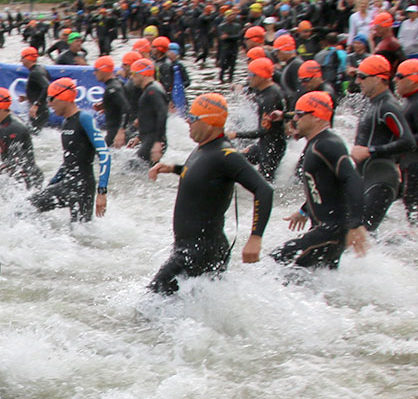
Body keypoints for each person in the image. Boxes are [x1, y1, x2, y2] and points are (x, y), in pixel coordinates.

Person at [146, 94, 273, 294]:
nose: (187, 121)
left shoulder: (226, 155)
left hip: (201, 250)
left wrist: (255, 238)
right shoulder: (204, 150)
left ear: (210, 122)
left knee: (150, 305)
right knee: (177, 311)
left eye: (193, 118)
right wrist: (172, 168)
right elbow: (202, 174)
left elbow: (264, 189)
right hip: (191, 248)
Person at [274, 91, 369, 269]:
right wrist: (304, 210)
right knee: (312, 285)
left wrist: (356, 224)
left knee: (274, 263)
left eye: (299, 114)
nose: (295, 119)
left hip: (331, 230)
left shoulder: (327, 144)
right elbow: (326, 186)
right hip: (327, 230)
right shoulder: (316, 144)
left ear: (316, 117)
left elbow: (352, 178)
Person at [29, 77, 111, 222]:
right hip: (68, 183)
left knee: (80, 233)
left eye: (51, 98)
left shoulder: (84, 118)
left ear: (63, 98)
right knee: (25, 207)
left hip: (82, 187)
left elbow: (104, 154)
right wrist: (52, 183)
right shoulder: (66, 122)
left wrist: (102, 191)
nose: (48, 104)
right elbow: (69, 160)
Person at [350, 54, 417, 230]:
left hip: (382, 180)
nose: (358, 81)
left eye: (362, 77)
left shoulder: (388, 105)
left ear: (379, 79)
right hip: (368, 176)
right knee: (355, 233)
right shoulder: (371, 103)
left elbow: (408, 141)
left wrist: (370, 151)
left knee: (361, 233)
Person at [0, 87, 43, 188]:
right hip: (21, 177)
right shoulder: (4, 125)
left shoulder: (12, 128)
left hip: (28, 180)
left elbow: (16, 161)